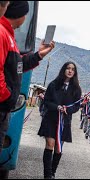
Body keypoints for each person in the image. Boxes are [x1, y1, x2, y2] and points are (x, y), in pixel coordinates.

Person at [0, 1, 55, 155]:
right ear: (21, 15)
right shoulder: (2, 33)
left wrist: (38, 55)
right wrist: (8, 96)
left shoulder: (8, 35)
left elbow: (16, 66)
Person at [37, 61, 82, 179]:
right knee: (50, 144)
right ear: (64, 70)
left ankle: (52, 172)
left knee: (58, 148)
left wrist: (68, 109)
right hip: (50, 119)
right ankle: (47, 175)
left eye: (72, 69)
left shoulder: (76, 89)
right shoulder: (53, 84)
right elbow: (46, 101)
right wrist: (57, 107)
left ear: (74, 72)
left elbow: (77, 106)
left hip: (64, 122)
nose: (70, 71)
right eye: (68, 68)